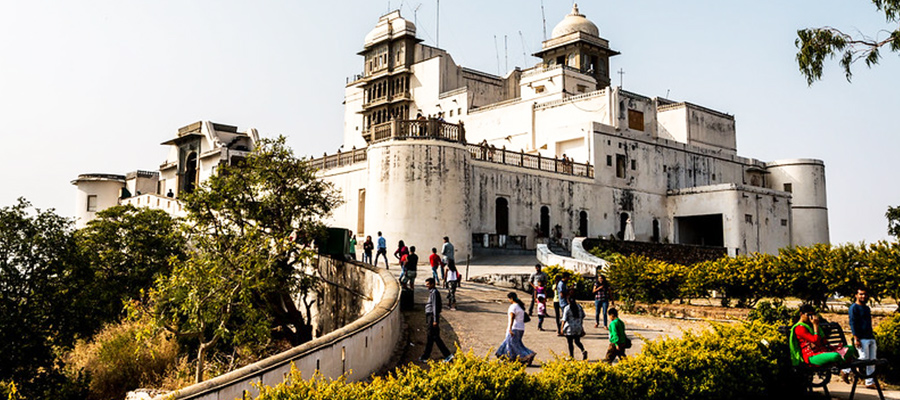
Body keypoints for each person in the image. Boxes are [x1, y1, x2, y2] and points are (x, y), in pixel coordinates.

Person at [790, 304, 856, 368]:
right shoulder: (799, 328)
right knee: (835, 356)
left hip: (824, 350)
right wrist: (815, 326)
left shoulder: (811, 325)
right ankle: (842, 361)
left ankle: (841, 361)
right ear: (801, 314)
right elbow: (815, 340)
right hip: (812, 355)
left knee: (850, 348)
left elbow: (822, 340)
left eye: (812, 315)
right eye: (808, 315)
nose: (810, 318)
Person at [841, 287, 878, 387]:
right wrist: (856, 338)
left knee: (872, 360)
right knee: (863, 358)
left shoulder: (866, 308)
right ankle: (845, 370)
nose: (863, 296)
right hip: (861, 338)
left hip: (870, 336)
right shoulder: (854, 308)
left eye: (865, 294)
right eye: (861, 294)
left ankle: (870, 382)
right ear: (856, 295)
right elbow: (852, 323)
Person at [419, 278, 454, 363]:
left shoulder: (434, 293)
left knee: (433, 337)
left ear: (432, 284)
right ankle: (426, 356)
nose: (426, 286)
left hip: (432, 317)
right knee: (432, 337)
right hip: (431, 317)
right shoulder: (433, 292)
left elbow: (434, 307)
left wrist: (434, 320)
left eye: (428, 284)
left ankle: (447, 355)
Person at [495, 292, 536, 365]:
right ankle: (509, 357)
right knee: (511, 343)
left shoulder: (513, 307)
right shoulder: (520, 306)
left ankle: (527, 355)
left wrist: (510, 328)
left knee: (513, 344)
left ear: (511, 299)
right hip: (521, 328)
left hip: (514, 328)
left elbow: (512, 317)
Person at [562, 291, 588, 360]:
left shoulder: (567, 308)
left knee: (570, 343)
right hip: (578, 327)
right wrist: (582, 329)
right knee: (577, 341)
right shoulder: (579, 307)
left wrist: (561, 329)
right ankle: (583, 350)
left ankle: (571, 356)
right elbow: (582, 317)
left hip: (570, 328)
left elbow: (564, 319)